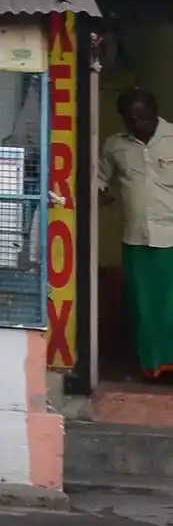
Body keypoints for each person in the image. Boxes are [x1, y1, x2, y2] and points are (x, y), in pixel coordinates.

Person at [99, 87, 173, 381]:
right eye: (130, 118)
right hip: (137, 239)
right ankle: (150, 368)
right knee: (143, 308)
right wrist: (102, 194)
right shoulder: (114, 146)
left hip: (171, 237)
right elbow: (98, 178)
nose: (136, 123)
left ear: (155, 113)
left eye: (142, 117)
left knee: (169, 307)